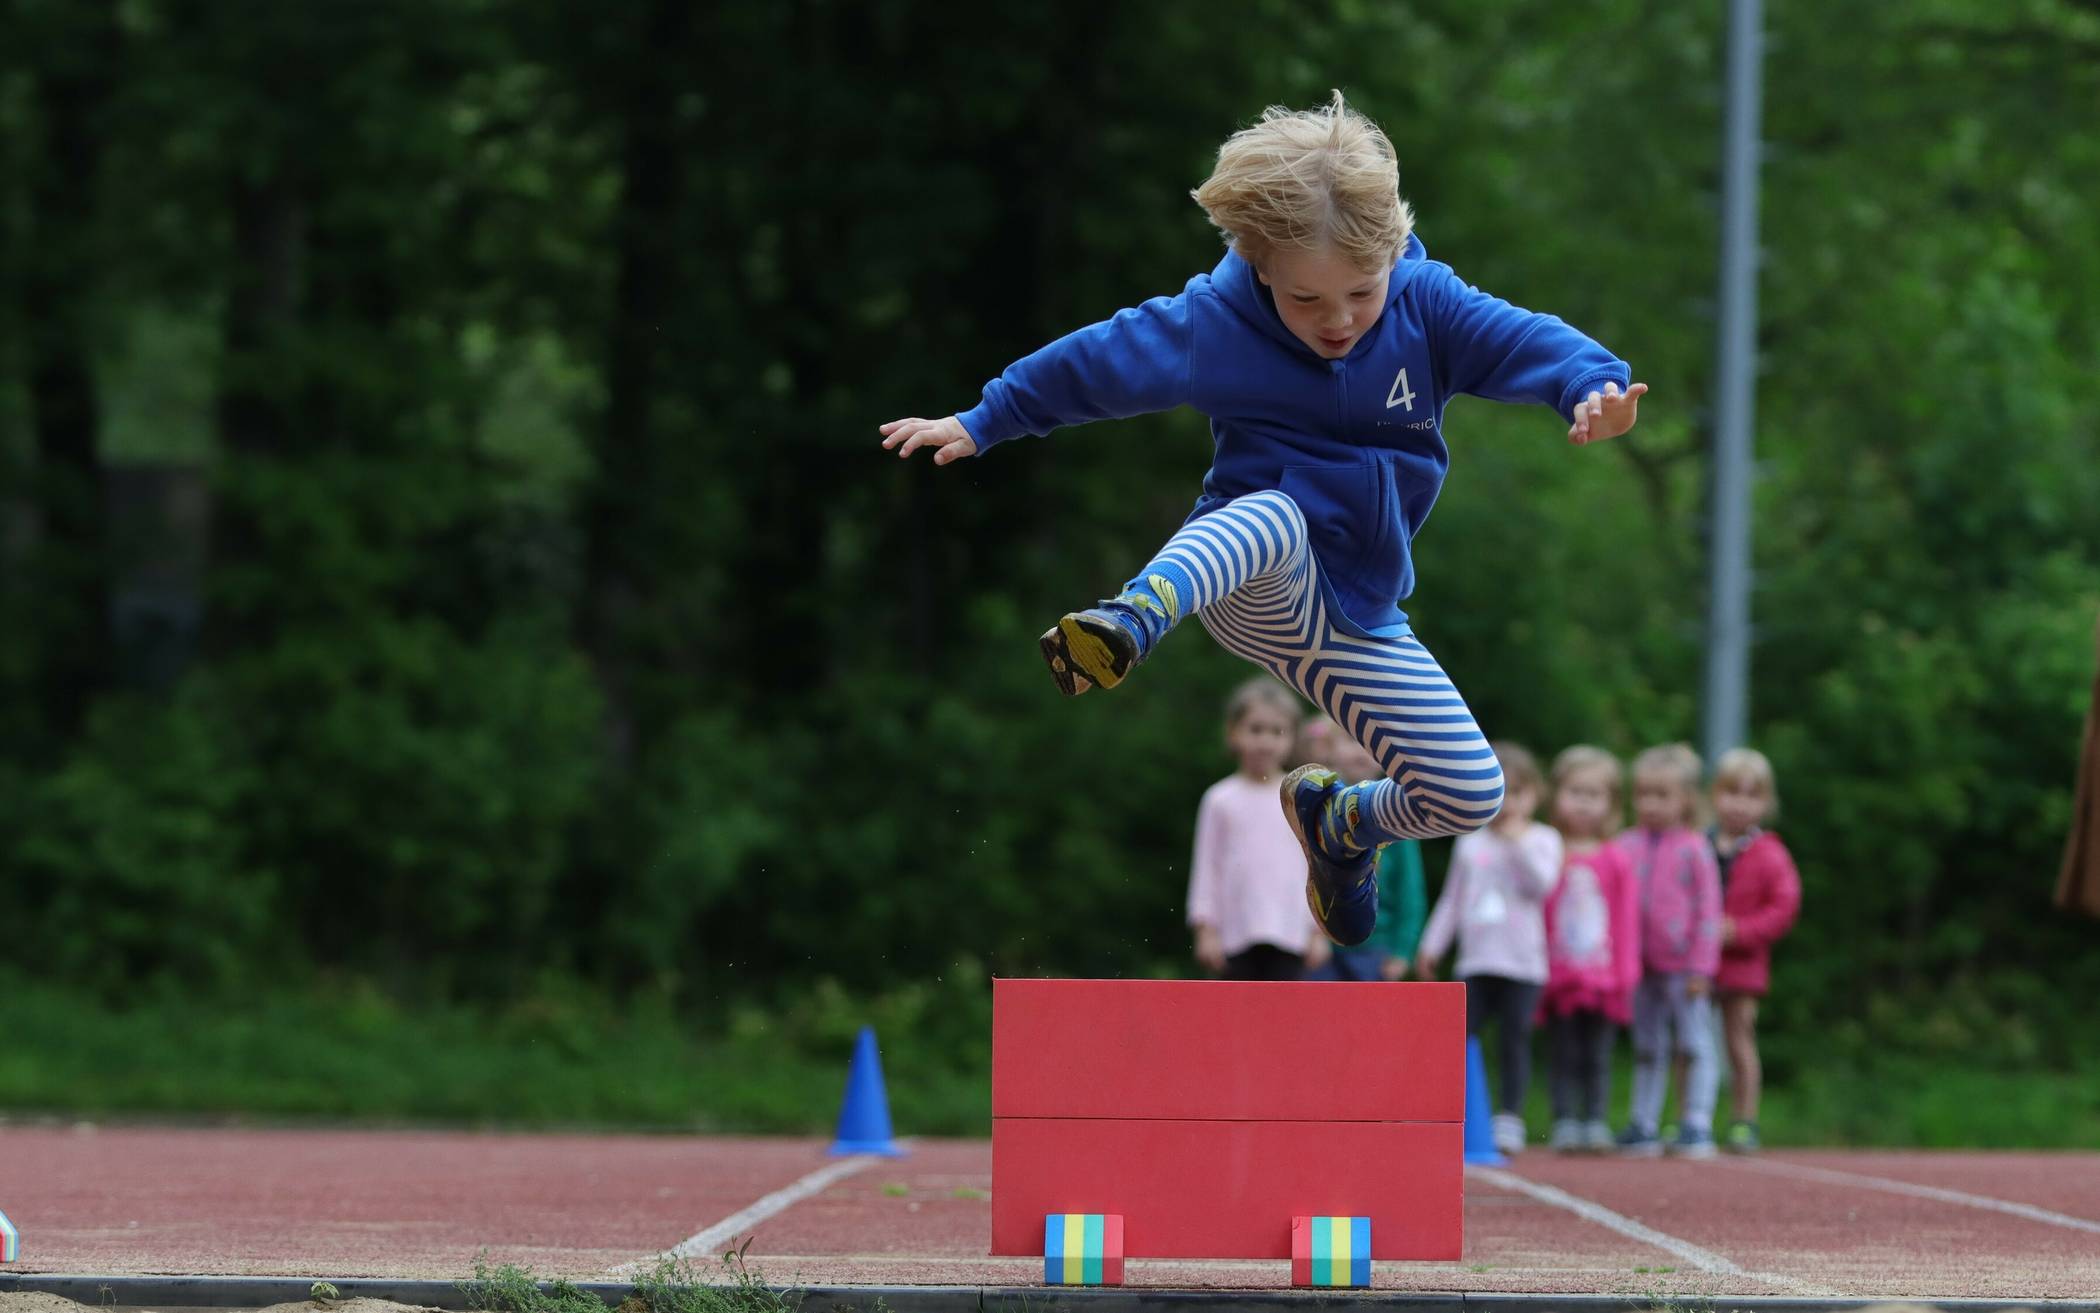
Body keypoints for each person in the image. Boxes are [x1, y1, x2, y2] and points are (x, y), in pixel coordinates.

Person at [879, 91, 1646, 949]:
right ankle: (1130, 617)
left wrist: (1592, 387)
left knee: (1470, 791)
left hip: (1359, 609)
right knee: (1279, 511)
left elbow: (1524, 341)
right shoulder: (1217, 322)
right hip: (1246, 579)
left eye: (1360, 292)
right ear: (1259, 266)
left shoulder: (1425, 304)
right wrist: (986, 418)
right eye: (1306, 300)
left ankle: (1339, 824)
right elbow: (1099, 360)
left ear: (1392, 251)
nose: (1340, 320)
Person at [1417, 743, 1560, 1156]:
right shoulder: (1470, 842)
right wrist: (1432, 944)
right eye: (1502, 793)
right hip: (1476, 960)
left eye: (1519, 793)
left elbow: (1541, 886)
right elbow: (1453, 900)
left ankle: (1510, 1117)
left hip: (1523, 964)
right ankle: (1451, 1114)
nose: (1510, 804)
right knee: (1458, 1036)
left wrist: (1516, 844)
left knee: (1514, 1038)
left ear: (1535, 796)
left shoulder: (1542, 840)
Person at [1614, 744, 1722, 1158]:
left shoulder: (1695, 848)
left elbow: (1709, 909)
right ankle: (1643, 1122)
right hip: (1641, 968)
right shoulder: (1626, 845)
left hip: (1685, 968)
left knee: (1694, 1043)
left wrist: (1701, 966)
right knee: (1646, 1044)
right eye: (1644, 794)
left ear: (1686, 800)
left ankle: (1696, 1120)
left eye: (1663, 795)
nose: (1651, 804)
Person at [1187, 680, 1329, 981]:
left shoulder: (1301, 797)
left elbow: (1315, 864)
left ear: (1293, 737)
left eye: (1277, 731)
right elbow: (1207, 866)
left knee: (1286, 1022)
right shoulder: (1219, 799)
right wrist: (1205, 928)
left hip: (1291, 932)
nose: (1265, 741)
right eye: (1256, 729)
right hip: (1234, 933)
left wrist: (1318, 930)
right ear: (1233, 732)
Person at [1539, 746, 1640, 1153]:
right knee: (1563, 1051)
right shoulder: (1547, 850)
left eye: (1593, 794)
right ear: (1557, 795)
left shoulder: (1616, 858)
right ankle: (1564, 1120)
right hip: (1559, 974)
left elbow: (1626, 918)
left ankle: (1595, 1120)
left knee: (1598, 1053)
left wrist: (1625, 972)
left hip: (1603, 975)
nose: (1583, 802)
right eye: (1575, 791)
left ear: (1611, 803)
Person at [1709, 747, 1802, 1154]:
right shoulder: (1699, 844)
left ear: (1766, 802)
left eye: (1750, 795)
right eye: (1731, 793)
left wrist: (1740, 932)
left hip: (1743, 965)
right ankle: (1689, 1118)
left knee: (1739, 1039)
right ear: (1715, 795)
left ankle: (1744, 1120)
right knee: (1689, 1043)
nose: (1739, 804)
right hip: (1696, 962)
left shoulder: (1770, 853)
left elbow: (1783, 908)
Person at [1296, 717, 1426, 982]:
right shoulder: (1319, 810)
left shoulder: (1397, 816)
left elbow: (1410, 892)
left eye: (1371, 744)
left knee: (1368, 1021)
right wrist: (1308, 934)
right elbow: (1302, 873)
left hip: (1377, 947)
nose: (1361, 751)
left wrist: (1403, 951)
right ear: (1329, 748)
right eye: (1351, 740)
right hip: (1322, 946)